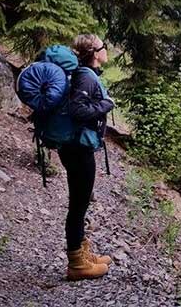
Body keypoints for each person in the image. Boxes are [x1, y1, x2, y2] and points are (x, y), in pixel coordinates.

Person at [58, 34, 115, 280]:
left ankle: (83, 252)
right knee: (78, 206)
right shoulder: (85, 76)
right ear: (95, 53)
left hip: (76, 147)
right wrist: (106, 104)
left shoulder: (85, 75)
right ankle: (77, 264)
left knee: (81, 202)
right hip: (78, 149)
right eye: (104, 47)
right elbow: (77, 109)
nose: (106, 50)